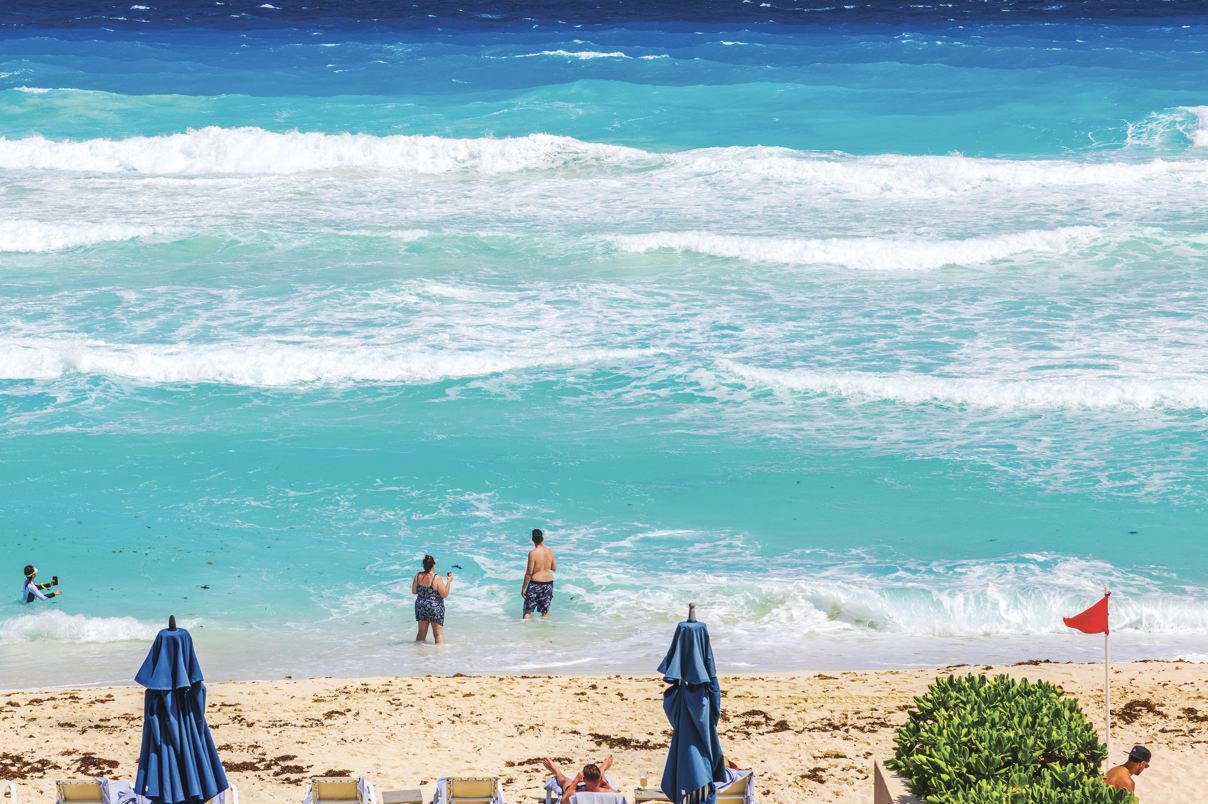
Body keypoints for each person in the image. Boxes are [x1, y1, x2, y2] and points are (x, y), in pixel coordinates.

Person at [412, 555, 453, 644]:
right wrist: (449, 581)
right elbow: (444, 594)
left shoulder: (418, 575)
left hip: (421, 606)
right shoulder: (436, 578)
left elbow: (414, 591)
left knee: (421, 633)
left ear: (424, 566)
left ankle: (419, 654)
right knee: (438, 634)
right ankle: (438, 657)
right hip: (434, 608)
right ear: (433, 565)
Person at [542, 756, 616, 804]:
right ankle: (602, 769)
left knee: (564, 780)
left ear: (584, 779)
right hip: (594, 786)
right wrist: (605, 783)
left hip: (579, 788)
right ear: (600, 779)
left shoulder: (577, 795)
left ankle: (557, 772)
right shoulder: (605, 792)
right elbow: (616, 796)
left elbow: (563, 801)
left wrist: (576, 780)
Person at [521, 528, 556, 620]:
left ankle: (526, 632)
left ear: (532, 540)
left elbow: (529, 573)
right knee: (545, 612)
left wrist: (523, 588)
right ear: (542, 539)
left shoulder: (532, 553)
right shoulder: (550, 551)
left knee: (527, 611)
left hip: (535, 584)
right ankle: (545, 632)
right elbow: (554, 568)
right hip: (548, 583)